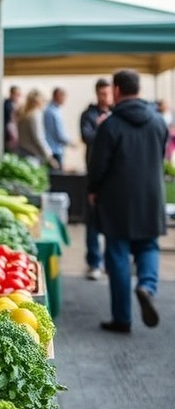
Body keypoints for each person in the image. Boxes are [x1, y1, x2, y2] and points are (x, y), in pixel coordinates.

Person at [87, 69, 166, 333]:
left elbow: (99, 165)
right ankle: (146, 285)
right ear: (139, 90)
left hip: (116, 199)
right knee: (149, 246)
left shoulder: (110, 124)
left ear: (117, 91)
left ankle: (122, 319)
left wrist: (93, 190)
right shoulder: (158, 121)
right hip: (152, 197)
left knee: (118, 254)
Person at [79, 77, 113, 280]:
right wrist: (102, 127)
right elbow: (87, 137)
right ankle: (94, 263)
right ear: (97, 93)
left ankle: (110, 263)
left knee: (112, 223)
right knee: (92, 222)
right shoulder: (88, 115)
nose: (104, 97)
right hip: (94, 171)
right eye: (101, 93)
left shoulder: (117, 114)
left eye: (107, 93)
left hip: (114, 177)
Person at [15, 88, 58, 169]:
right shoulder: (35, 115)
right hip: (32, 156)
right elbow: (38, 137)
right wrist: (49, 156)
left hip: (23, 153)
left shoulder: (25, 114)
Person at [43, 87, 72, 168]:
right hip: (54, 150)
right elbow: (59, 134)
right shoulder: (53, 112)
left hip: (52, 149)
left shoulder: (50, 109)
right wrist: (71, 143)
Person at [3, 85, 22, 153]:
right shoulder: (7, 104)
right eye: (17, 94)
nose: (18, 97)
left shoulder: (15, 104)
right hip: (9, 132)